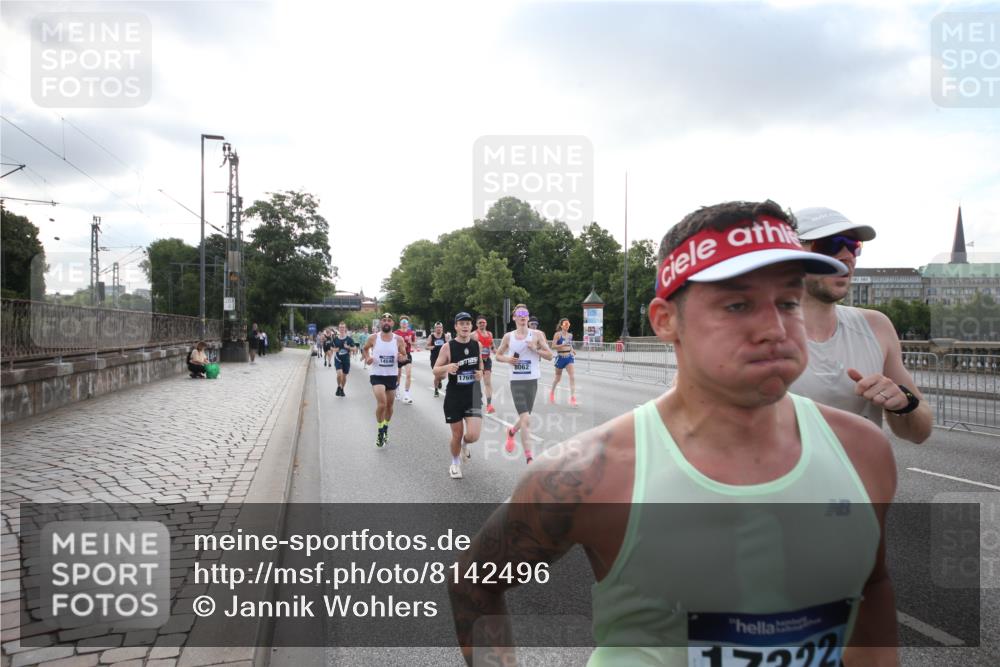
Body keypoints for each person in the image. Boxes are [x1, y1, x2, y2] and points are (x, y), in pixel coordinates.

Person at [449, 200, 898, 666]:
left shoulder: (863, 450)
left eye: (788, 301)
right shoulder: (590, 474)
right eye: (738, 304)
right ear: (665, 320)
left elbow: (873, 586)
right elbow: (473, 585)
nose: (775, 328)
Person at [792, 207, 933, 444]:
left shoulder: (876, 326)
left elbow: (920, 431)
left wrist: (903, 404)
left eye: (854, 245)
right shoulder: (756, 334)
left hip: (864, 481)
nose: (847, 255)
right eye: (829, 244)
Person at [494, 304, 554, 464]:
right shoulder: (508, 337)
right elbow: (497, 356)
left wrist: (535, 349)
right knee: (526, 418)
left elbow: (550, 356)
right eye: (519, 314)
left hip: (532, 380)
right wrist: (508, 359)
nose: (522, 316)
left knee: (526, 416)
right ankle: (529, 457)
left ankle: (512, 431)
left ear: (528, 317)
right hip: (516, 382)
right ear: (514, 317)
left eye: (525, 313)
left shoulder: (537, 334)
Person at [433, 312, 484, 479]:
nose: (465, 326)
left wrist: (480, 373)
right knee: (457, 434)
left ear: (471, 326)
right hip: (454, 396)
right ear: (455, 326)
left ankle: (465, 444)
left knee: (473, 435)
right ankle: (455, 463)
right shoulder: (448, 347)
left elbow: (481, 368)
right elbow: (435, 369)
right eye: (461, 323)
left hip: (473, 395)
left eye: (468, 323)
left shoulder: (477, 345)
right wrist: (447, 367)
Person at [362, 313, 408, 447]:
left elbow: (404, 355)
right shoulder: (373, 338)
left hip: (391, 376)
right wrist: (367, 358)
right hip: (377, 375)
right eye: (384, 320)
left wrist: (401, 357)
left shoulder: (398, 339)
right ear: (380, 323)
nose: (386, 322)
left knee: (389, 406)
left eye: (389, 320)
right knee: (382, 404)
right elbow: (365, 349)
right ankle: (380, 430)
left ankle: (385, 427)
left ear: (392, 323)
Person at [550, 317, 578, 407]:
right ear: (561, 325)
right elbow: (553, 346)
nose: (567, 326)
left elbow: (569, 344)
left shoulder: (570, 335)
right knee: (558, 378)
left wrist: (572, 350)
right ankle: (552, 393)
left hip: (569, 358)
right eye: (565, 324)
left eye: (568, 324)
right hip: (560, 358)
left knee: (572, 376)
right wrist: (563, 344)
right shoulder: (557, 335)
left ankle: (573, 398)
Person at [472, 316, 496, 413]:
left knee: (487, 382)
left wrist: (497, 353)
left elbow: (493, 347)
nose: (482, 324)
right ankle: (477, 399)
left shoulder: (490, 334)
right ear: (477, 324)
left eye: (484, 322)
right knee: (476, 382)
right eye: (480, 322)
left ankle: (489, 405)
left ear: (486, 323)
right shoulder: (473, 335)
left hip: (487, 360)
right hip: (477, 361)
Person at [395, 316, 417, 404]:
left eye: (405, 322)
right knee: (398, 375)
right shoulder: (396, 333)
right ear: (400, 323)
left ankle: (407, 395)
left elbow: (415, 344)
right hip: (398, 355)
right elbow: (392, 345)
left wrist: (411, 342)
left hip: (407, 355)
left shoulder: (411, 333)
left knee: (408, 374)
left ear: (408, 324)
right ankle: (397, 390)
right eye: (402, 322)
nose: (404, 323)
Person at [332, 322, 356, 396]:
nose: (342, 329)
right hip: (338, 359)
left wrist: (348, 347)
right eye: (340, 327)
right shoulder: (335, 339)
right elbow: (331, 347)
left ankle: (342, 389)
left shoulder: (349, 339)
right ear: (338, 329)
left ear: (345, 329)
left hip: (346, 360)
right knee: (339, 374)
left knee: (344, 376)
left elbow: (355, 348)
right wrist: (335, 349)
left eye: (343, 327)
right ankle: (338, 386)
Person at [427, 321, 447, 397]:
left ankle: (440, 381)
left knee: (443, 376)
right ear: (435, 329)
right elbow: (427, 346)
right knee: (437, 375)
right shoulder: (431, 336)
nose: (439, 329)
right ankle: (436, 390)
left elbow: (449, 345)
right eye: (437, 327)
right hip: (434, 359)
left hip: (443, 358)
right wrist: (432, 347)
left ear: (442, 328)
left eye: (440, 327)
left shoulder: (444, 336)